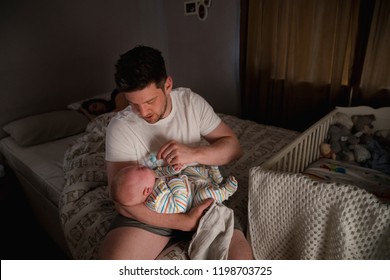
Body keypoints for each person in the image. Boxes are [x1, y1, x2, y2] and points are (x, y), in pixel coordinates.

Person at [98, 45, 253, 259]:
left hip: (199, 197)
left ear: (168, 85)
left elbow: (233, 148)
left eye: (150, 101)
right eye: (134, 104)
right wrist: (184, 222)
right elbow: (123, 202)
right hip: (150, 211)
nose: (143, 112)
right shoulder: (120, 127)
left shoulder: (191, 103)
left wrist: (194, 154)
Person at [111, 164, 238, 214]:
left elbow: (164, 172)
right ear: (147, 191)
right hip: (193, 201)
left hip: (189, 183)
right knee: (206, 196)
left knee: (189, 170)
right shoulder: (156, 202)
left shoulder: (152, 178)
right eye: (141, 169)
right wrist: (174, 180)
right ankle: (226, 191)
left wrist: (174, 169)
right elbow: (180, 204)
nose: (142, 165)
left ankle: (214, 178)